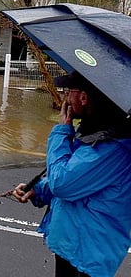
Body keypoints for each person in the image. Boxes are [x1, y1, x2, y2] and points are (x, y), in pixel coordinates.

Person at [13, 71, 131, 277]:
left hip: (88, 253)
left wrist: (61, 130)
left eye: (68, 92)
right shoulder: (94, 129)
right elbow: (78, 177)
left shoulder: (112, 145)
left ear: (84, 98)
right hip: (74, 244)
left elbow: (63, 183)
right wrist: (38, 191)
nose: (66, 98)